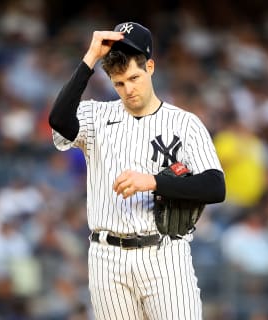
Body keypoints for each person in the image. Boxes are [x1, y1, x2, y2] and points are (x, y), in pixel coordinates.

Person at [49, 21, 225, 320]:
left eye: (134, 77)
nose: (128, 90)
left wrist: (153, 181)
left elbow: (215, 187)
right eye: (119, 83)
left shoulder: (184, 123)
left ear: (150, 68)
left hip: (164, 255)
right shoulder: (97, 114)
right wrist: (90, 57)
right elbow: (59, 120)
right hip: (107, 257)